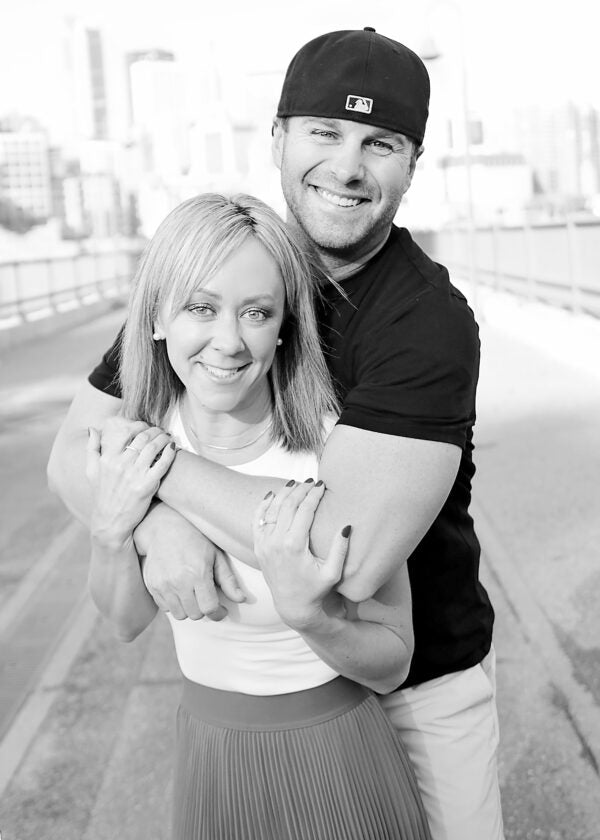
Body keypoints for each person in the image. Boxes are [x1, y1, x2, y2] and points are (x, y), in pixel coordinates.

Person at [48, 28, 504, 840]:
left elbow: (343, 557)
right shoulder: (229, 268)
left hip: (416, 690)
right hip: (251, 708)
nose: (347, 166)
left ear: (413, 163)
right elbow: (70, 454)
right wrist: (154, 526)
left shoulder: (425, 323)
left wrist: (152, 473)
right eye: (325, 132)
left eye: (380, 143)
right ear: (279, 138)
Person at [85, 192, 431, 840]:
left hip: (337, 761)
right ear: (157, 316)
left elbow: (393, 661)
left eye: (256, 312)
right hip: (209, 759)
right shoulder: (138, 443)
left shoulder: (333, 452)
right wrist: (118, 528)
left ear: (284, 326)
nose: (229, 341)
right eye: (201, 308)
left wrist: (313, 619)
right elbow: (126, 622)